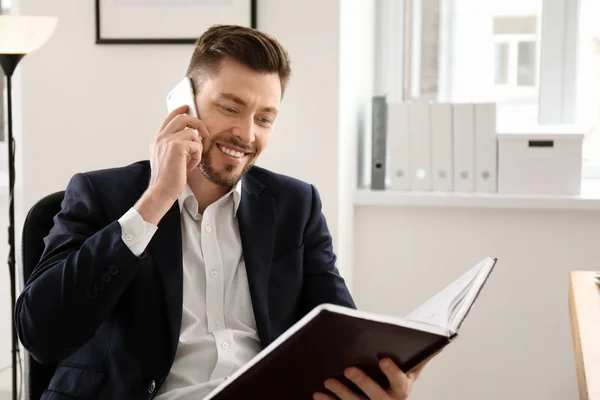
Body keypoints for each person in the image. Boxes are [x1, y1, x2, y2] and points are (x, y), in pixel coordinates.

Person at [15, 24, 434, 400]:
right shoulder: (101, 194)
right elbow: (42, 335)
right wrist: (157, 199)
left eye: (265, 119)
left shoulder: (296, 206)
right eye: (230, 108)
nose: (247, 135)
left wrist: (375, 380)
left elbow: (341, 334)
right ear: (185, 103)